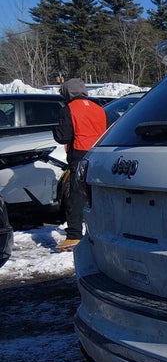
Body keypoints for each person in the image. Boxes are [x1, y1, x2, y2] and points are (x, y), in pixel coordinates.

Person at [53, 78, 106, 252]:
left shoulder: (69, 109)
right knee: (96, 195)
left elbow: (63, 136)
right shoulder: (99, 109)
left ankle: (74, 235)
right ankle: (102, 230)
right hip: (98, 154)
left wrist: (56, 129)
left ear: (67, 93)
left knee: (75, 197)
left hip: (79, 154)